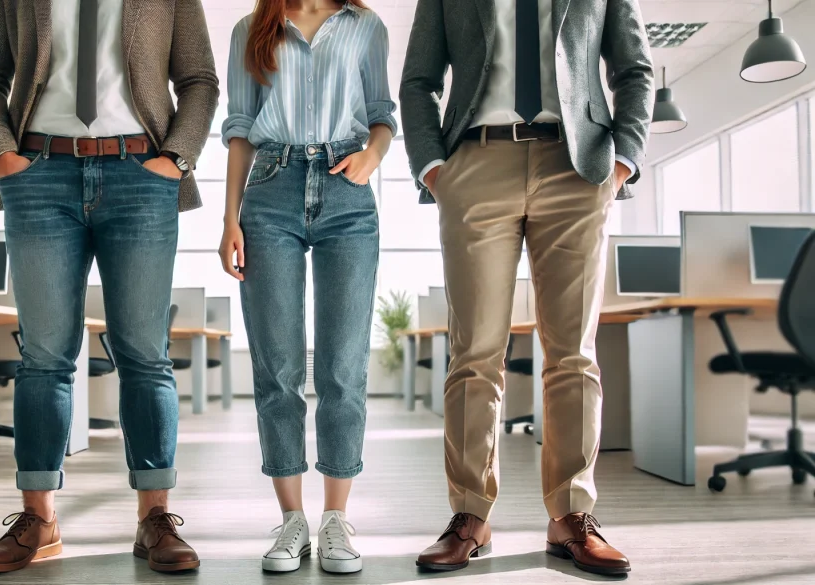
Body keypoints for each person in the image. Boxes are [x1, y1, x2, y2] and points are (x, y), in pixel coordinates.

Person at [0, 0, 218, 574]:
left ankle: (155, 517)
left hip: (141, 173)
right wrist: (0, 153)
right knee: (44, 355)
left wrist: (177, 157)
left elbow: (198, 79)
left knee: (145, 354)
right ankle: (39, 520)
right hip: (39, 172)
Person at [400, 0, 653, 577]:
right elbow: (418, 80)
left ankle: (570, 518)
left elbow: (634, 69)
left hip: (579, 166)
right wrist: (435, 170)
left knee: (572, 353)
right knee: (475, 354)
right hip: (475, 163)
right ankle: (470, 516)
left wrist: (624, 163)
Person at [219, 0, 395, 574]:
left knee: (343, 367)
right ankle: (292, 519)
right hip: (269, 192)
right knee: (278, 368)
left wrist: (372, 154)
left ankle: (336, 519)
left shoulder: (365, 27)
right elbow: (241, 129)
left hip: (348, 191)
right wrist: (229, 220)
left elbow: (381, 111)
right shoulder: (253, 29)